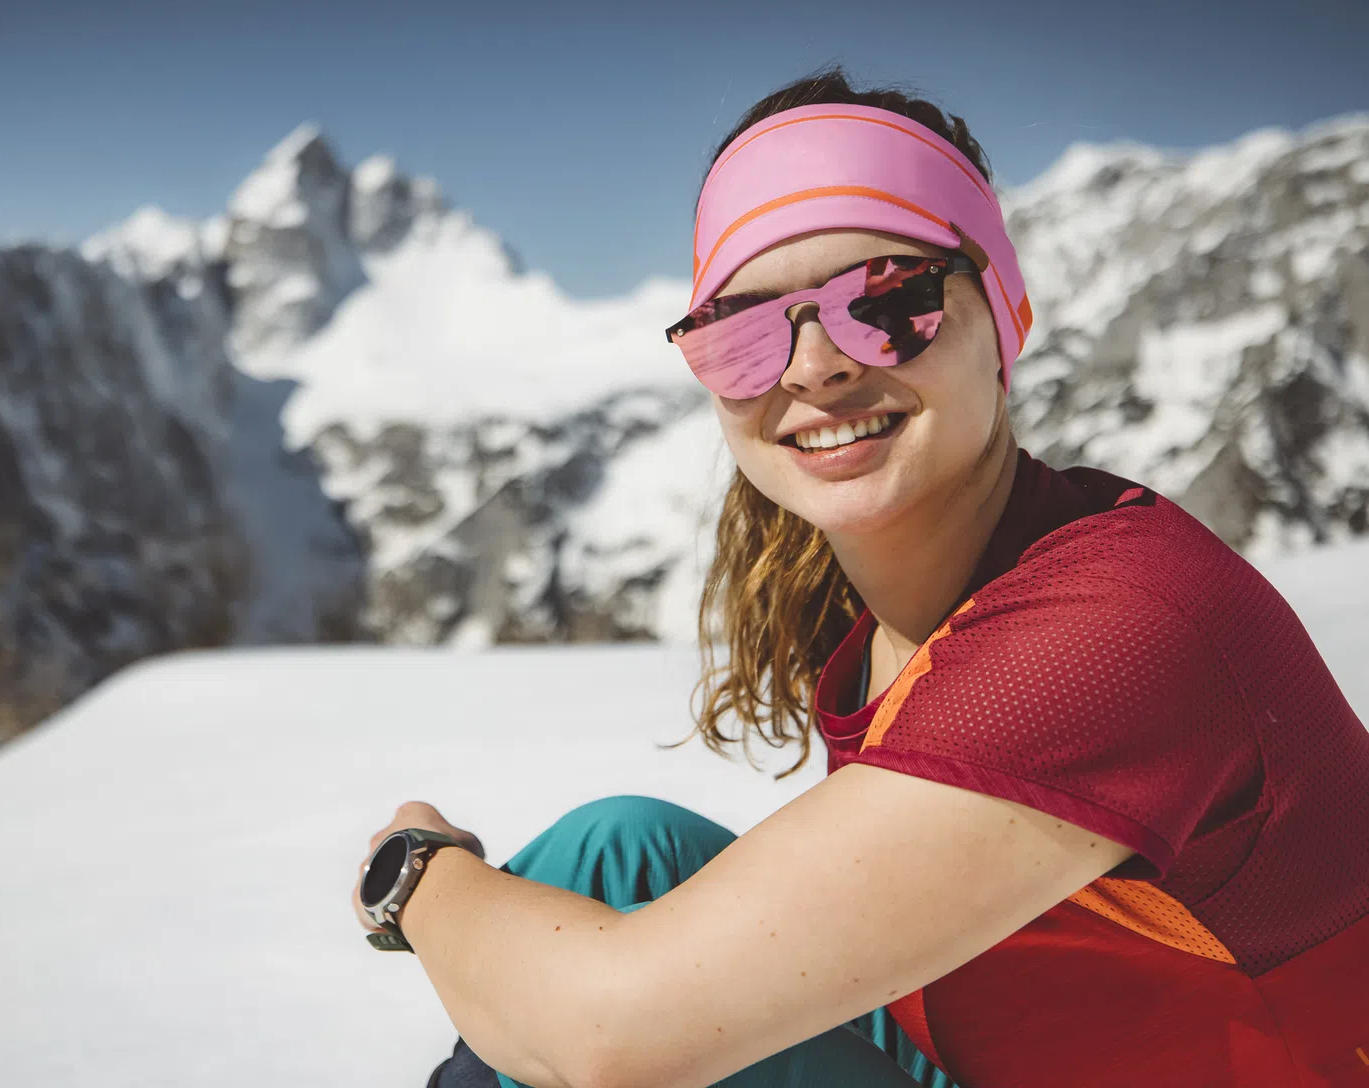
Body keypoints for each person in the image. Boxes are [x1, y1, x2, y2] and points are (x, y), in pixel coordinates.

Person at [352, 68, 1369, 1088]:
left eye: (886, 300)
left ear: (1002, 311)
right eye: (745, 330)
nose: (810, 368)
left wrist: (414, 874)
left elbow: (613, 1037)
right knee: (614, 854)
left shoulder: (1113, 630)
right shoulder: (909, 603)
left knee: (583, 1021)